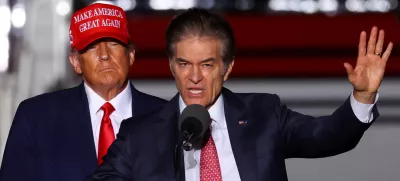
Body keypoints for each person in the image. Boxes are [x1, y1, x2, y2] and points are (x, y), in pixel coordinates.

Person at [87, 8, 393, 181]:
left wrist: (362, 96)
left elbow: (327, 135)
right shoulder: (140, 135)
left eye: (207, 65)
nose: (194, 77)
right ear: (171, 65)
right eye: (184, 64)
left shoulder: (263, 114)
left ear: (228, 67)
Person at [0, 3, 166, 181]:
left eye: (113, 44)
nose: (104, 55)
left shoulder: (169, 119)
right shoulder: (35, 119)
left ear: (131, 55)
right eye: (92, 46)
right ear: (75, 63)